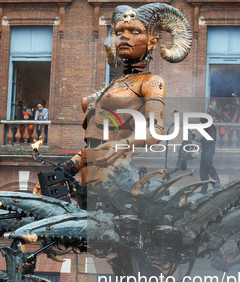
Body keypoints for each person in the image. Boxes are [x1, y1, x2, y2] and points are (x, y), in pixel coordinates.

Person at [57, 3, 191, 188]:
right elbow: (95, 145)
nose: (124, 37)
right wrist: (63, 171)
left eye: (135, 31)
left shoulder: (152, 82)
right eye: (119, 32)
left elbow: (156, 130)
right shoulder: (116, 83)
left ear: (152, 41)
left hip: (116, 177)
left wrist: (122, 145)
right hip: (91, 178)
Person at [198, 119, 220, 193]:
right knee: (202, 169)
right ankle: (204, 188)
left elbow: (210, 139)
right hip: (205, 150)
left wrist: (201, 143)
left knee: (208, 165)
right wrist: (199, 142)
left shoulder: (211, 127)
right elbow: (204, 138)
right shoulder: (206, 128)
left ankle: (217, 183)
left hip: (209, 150)